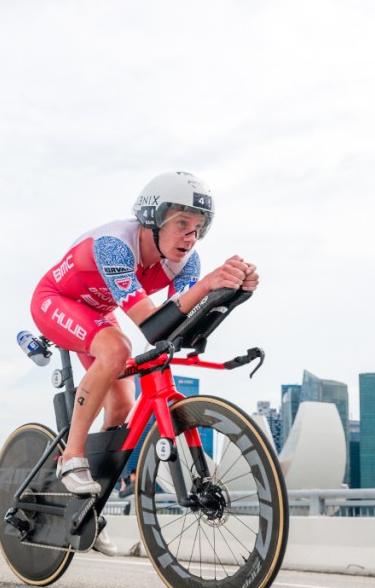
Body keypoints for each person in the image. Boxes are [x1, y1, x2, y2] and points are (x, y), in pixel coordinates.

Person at [30, 171, 259, 556]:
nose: (191, 236)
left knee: (122, 403)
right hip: (55, 300)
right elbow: (153, 327)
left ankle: (87, 508)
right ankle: (71, 457)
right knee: (117, 348)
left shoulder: (186, 261)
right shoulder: (115, 246)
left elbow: (182, 324)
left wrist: (231, 292)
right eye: (182, 224)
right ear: (153, 220)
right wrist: (207, 285)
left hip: (97, 312)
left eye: (199, 228)